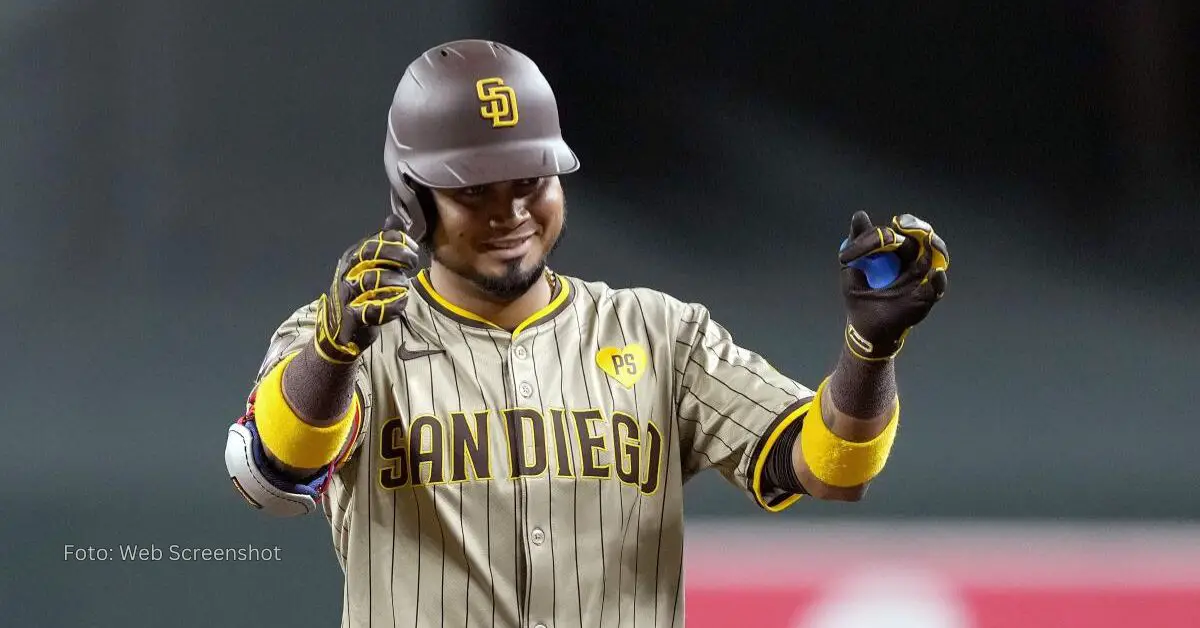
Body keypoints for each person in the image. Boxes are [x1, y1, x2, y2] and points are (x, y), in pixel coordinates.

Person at [223, 39, 950, 628]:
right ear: (412, 198)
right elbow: (274, 475)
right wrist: (334, 349)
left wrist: (870, 350)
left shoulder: (661, 333)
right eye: (475, 190)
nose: (509, 211)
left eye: (530, 179)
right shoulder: (346, 337)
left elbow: (830, 466)